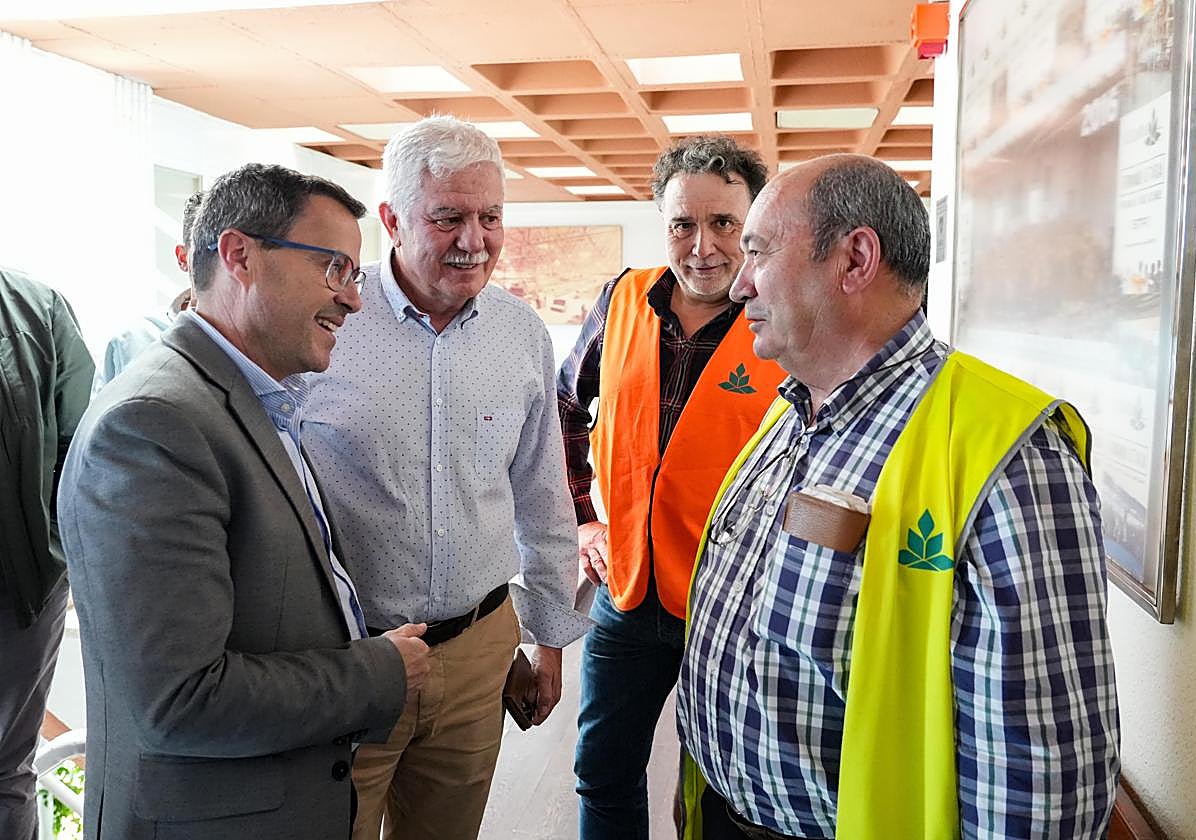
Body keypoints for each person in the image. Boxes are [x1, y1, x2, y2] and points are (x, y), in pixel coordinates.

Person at [676, 155, 1121, 839]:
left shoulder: (1010, 459)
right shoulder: (788, 413)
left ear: (855, 259)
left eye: (758, 252)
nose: (739, 285)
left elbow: (1040, 781)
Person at [57, 163, 429, 840]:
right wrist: (379, 672)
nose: (353, 300)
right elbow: (181, 699)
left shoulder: (246, 400)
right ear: (239, 256)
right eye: (335, 268)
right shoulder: (153, 425)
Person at [303, 115, 589, 840]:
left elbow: (542, 497)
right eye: (449, 218)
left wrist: (549, 639)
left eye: (491, 217)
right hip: (346, 658)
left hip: (476, 656)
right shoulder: (327, 321)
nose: (475, 240)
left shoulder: (520, 332)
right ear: (393, 220)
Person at [556, 135, 779, 840]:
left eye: (724, 223)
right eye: (683, 224)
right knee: (603, 773)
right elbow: (563, 407)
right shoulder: (622, 299)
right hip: (625, 595)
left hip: (735, 607)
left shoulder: (783, 315)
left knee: (726, 793)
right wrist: (583, 519)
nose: (702, 247)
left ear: (753, 225)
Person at [0, 266, 93, 840]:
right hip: (26, 592)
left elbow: (80, 453)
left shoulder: (36, 308)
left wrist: (51, 555)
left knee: (7, 772)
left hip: (20, 594)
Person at [92, 191, 201, 393]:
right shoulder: (132, 341)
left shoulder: (256, 340)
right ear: (183, 258)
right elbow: (99, 412)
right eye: (210, 249)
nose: (225, 263)